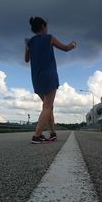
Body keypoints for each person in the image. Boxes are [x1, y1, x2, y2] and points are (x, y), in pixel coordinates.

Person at [25, 16, 76, 144]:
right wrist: (73, 44)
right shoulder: (49, 38)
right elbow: (65, 48)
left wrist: (28, 48)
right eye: (46, 26)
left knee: (48, 107)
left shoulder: (29, 42)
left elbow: (26, 60)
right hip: (49, 76)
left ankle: (52, 133)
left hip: (36, 78)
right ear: (43, 26)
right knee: (47, 107)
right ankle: (37, 136)